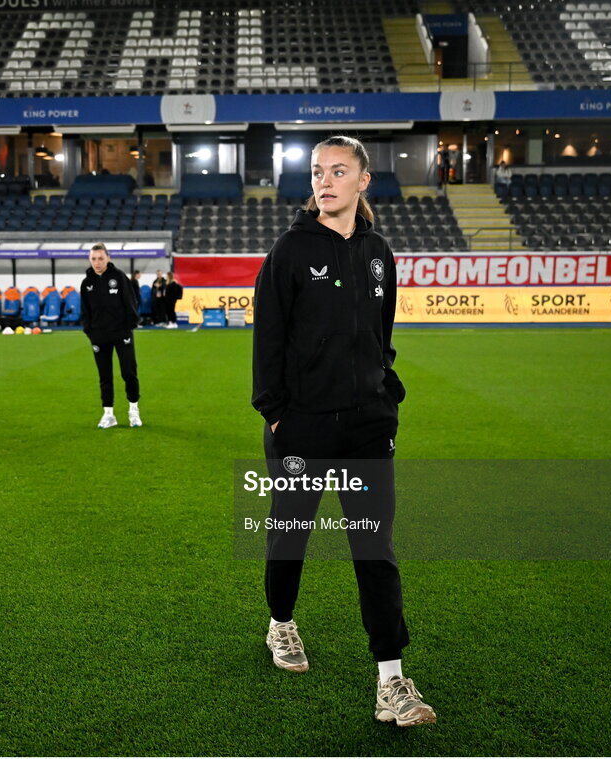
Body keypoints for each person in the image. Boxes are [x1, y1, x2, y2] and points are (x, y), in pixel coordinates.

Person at [251, 135, 436, 727]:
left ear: (362, 181)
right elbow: (269, 343)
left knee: (374, 549)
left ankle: (392, 680)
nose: (324, 181)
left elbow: (380, 334)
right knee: (290, 538)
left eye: (338, 171)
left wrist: (386, 392)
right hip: (302, 429)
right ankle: (281, 622)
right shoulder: (288, 251)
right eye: (316, 172)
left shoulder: (380, 252)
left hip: (366, 428)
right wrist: (277, 414)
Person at [80, 243, 142, 428]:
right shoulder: (86, 283)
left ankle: (134, 411)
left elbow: (131, 302)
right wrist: (90, 332)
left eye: (100, 258)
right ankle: (108, 415)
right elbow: (85, 311)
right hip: (99, 336)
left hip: (121, 333)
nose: (97, 263)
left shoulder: (119, 277)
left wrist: (129, 328)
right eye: (93, 259)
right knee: (104, 376)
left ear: (108, 258)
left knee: (128, 372)